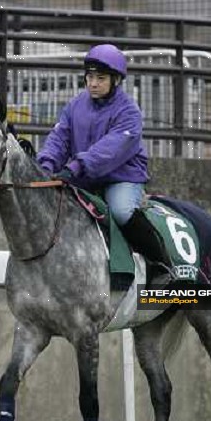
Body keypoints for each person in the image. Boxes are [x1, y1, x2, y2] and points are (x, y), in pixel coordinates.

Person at [37, 44, 173, 283]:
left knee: (120, 211)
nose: (93, 83)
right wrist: (46, 166)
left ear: (116, 81)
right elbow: (59, 138)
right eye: (89, 77)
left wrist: (75, 168)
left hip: (122, 178)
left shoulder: (129, 112)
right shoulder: (75, 106)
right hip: (83, 176)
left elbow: (110, 151)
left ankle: (160, 265)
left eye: (100, 78)